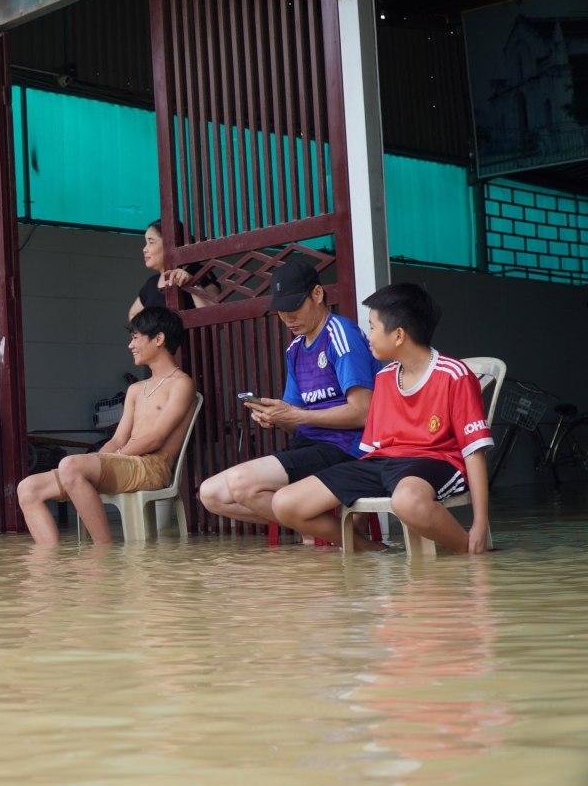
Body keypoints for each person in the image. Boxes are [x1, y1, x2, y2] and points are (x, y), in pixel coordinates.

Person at [271, 283, 493, 554]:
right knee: (285, 503)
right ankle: (377, 552)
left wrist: (480, 523)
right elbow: (370, 452)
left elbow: (474, 451)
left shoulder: (454, 375)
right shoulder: (384, 377)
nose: (368, 337)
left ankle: (470, 552)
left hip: (434, 460)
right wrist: (356, 508)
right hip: (382, 463)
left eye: (373, 327)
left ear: (398, 335)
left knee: (407, 500)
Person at [198, 259, 380, 526]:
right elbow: (295, 423)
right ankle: (319, 532)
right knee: (211, 495)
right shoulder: (295, 349)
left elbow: (363, 413)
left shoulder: (341, 334)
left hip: (344, 448)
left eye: (294, 307)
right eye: (281, 310)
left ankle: (342, 541)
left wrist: (296, 415)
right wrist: (276, 417)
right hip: (308, 447)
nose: (287, 318)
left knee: (241, 482)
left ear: (317, 294)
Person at [18, 306, 198, 544]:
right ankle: (49, 565)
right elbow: (117, 439)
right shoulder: (136, 389)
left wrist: (110, 459)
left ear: (159, 339)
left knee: (71, 465)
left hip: (152, 466)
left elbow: (156, 438)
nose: (130, 346)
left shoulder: (181, 383)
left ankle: (103, 551)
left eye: (135, 338)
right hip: (124, 462)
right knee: (28, 487)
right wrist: (99, 460)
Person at [127, 219, 218, 320]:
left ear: (170, 244)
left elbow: (217, 318)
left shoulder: (199, 272)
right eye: (146, 243)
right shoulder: (152, 283)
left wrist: (192, 283)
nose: (145, 249)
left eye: (151, 242)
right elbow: (133, 315)